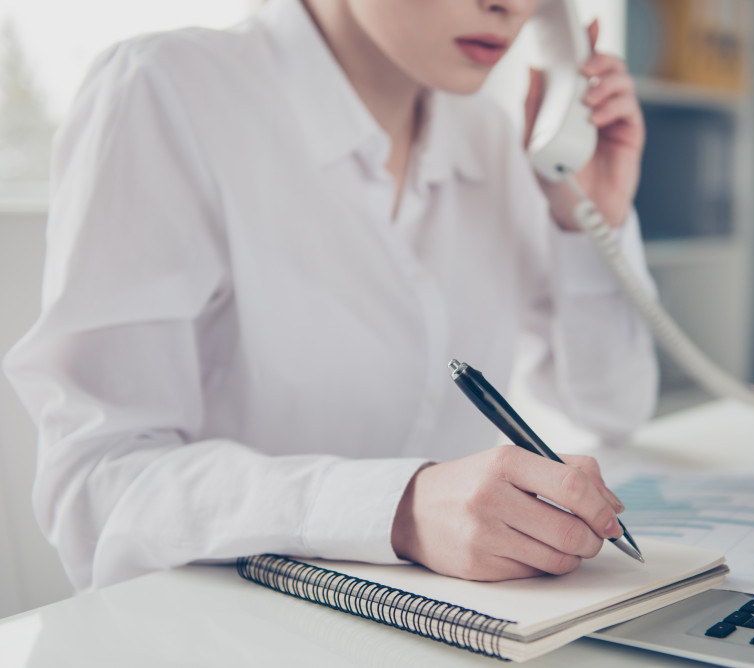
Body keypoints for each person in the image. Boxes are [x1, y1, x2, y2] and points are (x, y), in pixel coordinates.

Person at [3, 0, 658, 592]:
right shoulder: (166, 90)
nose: (510, 6)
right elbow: (96, 487)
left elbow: (613, 407)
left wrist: (587, 221)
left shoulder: (494, 137)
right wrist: (398, 508)